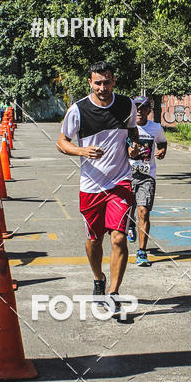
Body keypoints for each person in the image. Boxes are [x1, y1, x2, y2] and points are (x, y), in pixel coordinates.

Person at [56, 61, 138, 317]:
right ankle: (98, 278)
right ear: (90, 83)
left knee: (119, 238)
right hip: (91, 186)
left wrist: (133, 147)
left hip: (120, 182)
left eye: (107, 81)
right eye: (98, 82)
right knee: (94, 240)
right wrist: (82, 151)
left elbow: (132, 131)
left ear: (114, 81)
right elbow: (61, 142)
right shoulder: (78, 110)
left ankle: (113, 293)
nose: (103, 87)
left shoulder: (127, 105)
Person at [126, 96, 167, 266]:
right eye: (137, 108)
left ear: (149, 111)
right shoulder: (127, 127)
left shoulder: (156, 128)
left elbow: (162, 143)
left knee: (143, 211)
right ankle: (130, 225)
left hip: (147, 177)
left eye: (143, 108)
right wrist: (131, 151)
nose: (140, 111)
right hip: (126, 175)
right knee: (128, 211)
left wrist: (162, 151)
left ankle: (142, 252)